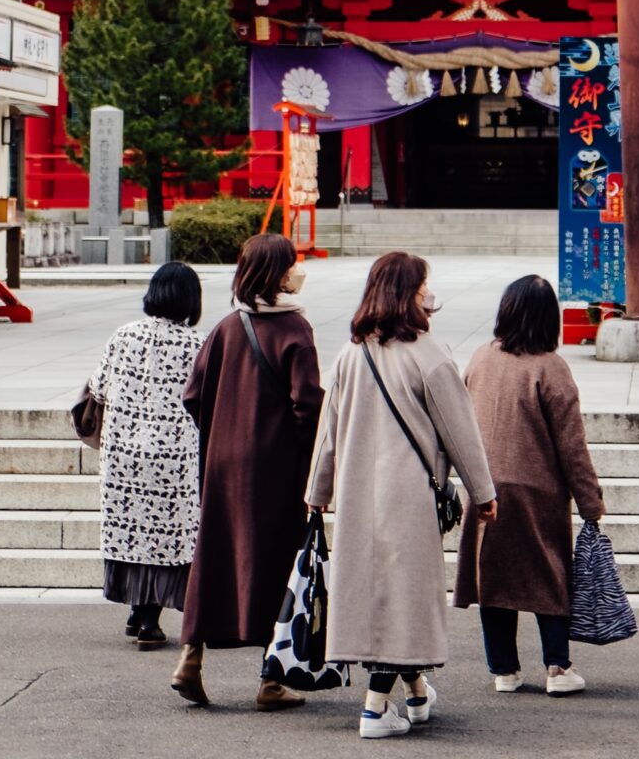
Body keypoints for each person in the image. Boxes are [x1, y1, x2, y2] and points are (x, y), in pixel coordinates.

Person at [307, 251, 497, 741]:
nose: (428, 294)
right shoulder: (428, 354)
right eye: (422, 286)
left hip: (355, 497)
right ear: (409, 293)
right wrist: (483, 491)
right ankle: (374, 710)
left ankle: (416, 694)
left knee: (380, 597)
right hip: (408, 496)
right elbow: (461, 432)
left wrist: (317, 491)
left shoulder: (351, 355)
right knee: (402, 598)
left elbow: (328, 432)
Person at [172, 232, 323, 712]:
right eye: (291, 264)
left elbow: (193, 395)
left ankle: (190, 659)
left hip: (222, 464)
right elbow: (308, 405)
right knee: (276, 562)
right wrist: (308, 454)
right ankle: (270, 678)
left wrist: (223, 434)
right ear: (280, 273)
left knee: (213, 555)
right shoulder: (295, 329)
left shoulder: (225, 328)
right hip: (275, 467)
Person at [453, 272, 604, 697]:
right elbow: (572, 446)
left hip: (485, 487)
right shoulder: (550, 367)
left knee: (493, 579)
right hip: (538, 491)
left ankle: (504, 670)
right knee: (549, 576)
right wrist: (590, 502)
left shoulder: (481, 358)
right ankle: (557, 668)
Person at [89, 261, 204, 648]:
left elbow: (98, 389)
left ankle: (139, 610)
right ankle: (149, 619)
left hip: (123, 455)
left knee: (132, 531)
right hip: (175, 456)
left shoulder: (123, 335)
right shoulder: (196, 343)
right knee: (166, 536)